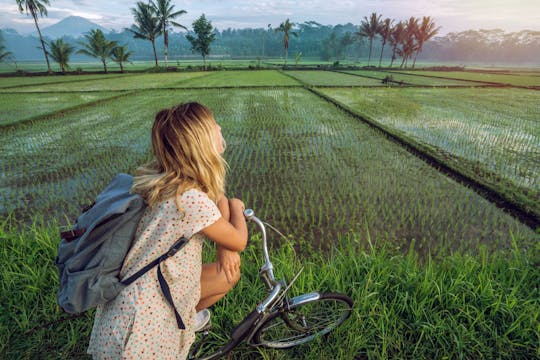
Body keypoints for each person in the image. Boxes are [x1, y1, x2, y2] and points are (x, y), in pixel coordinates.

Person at [87, 102, 248, 359]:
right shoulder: (190, 200)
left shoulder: (169, 178)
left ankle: (180, 318)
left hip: (139, 293)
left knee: (227, 275)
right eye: (213, 124)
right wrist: (237, 208)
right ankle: (172, 323)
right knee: (226, 273)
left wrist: (223, 245)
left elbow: (215, 197)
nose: (219, 126)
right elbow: (239, 239)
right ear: (202, 142)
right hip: (141, 323)